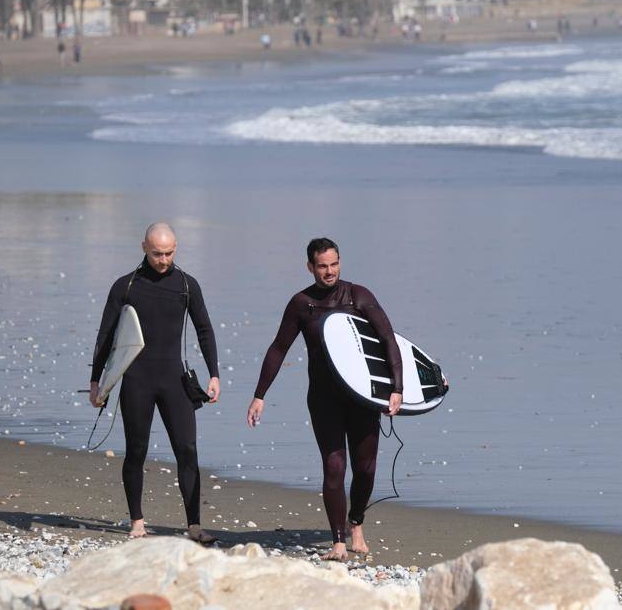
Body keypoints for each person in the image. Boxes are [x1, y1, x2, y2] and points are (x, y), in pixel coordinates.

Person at [246, 238, 402, 562]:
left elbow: (388, 339)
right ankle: (338, 541)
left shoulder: (359, 296)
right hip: (324, 399)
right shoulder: (301, 304)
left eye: (334, 264)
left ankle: (356, 521)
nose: (329, 271)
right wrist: (259, 395)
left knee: (366, 468)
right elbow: (278, 348)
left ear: (340, 262)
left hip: (362, 398)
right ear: (310, 267)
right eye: (322, 266)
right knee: (334, 466)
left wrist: (398, 388)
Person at [89, 223, 221, 543]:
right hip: (137, 379)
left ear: (176, 247)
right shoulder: (126, 286)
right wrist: (97, 381)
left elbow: (204, 329)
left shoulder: (187, 285)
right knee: (136, 450)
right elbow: (106, 335)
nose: (164, 259)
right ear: (144, 248)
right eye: (157, 253)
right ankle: (137, 521)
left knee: (187, 450)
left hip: (174, 379)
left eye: (169, 252)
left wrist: (214, 373)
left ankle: (194, 526)